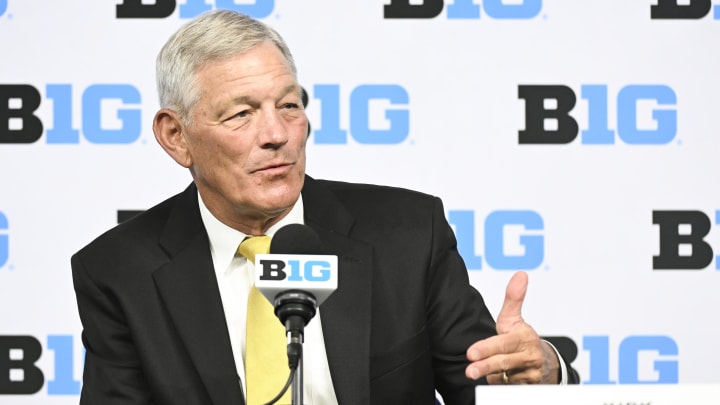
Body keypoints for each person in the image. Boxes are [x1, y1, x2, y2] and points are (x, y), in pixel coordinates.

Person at [71, 9, 579, 405]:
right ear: (176, 136)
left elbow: (488, 385)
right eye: (241, 114)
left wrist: (543, 374)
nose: (277, 135)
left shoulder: (406, 234)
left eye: (289, 105)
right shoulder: (120, 271)